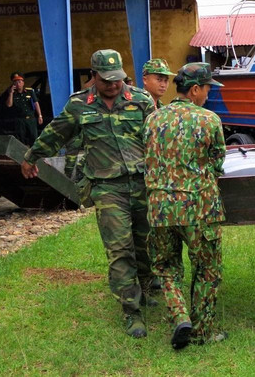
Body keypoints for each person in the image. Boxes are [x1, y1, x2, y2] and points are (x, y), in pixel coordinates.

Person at [20, 49, 156, 338]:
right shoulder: (79, 105)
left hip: (143, 184)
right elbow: (55, 133)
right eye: (106, 80)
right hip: (108, 188)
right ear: (92, 77)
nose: (113, 85)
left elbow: (160, 140)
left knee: (146, 242)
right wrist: (32, 157)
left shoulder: (142, 101)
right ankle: (131, 311)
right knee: (120, 249)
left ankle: (146, 289)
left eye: (117, 79)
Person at [143, 62, 227, 350]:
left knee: (166, 266)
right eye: (206, 89)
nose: (208, 95)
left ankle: (180, 315)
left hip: (160, 208)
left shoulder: (152, 119)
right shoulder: (209, 120)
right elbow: (217, 161)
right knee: (206, 269)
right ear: (194, 90)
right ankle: (202, 332)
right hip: (199, 209)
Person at [4, 71, 42, 146]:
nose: (18, 84)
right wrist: (11, 93)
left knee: (34, 138)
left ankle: (33, 155)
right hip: (20, 120)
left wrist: (40, 115)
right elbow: (9, 105)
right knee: (21, 140)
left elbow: (36, 103)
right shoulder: (12, 93)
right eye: (15, 82)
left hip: (31, 119)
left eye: (19, 81)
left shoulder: (29, 91)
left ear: (23, 82)